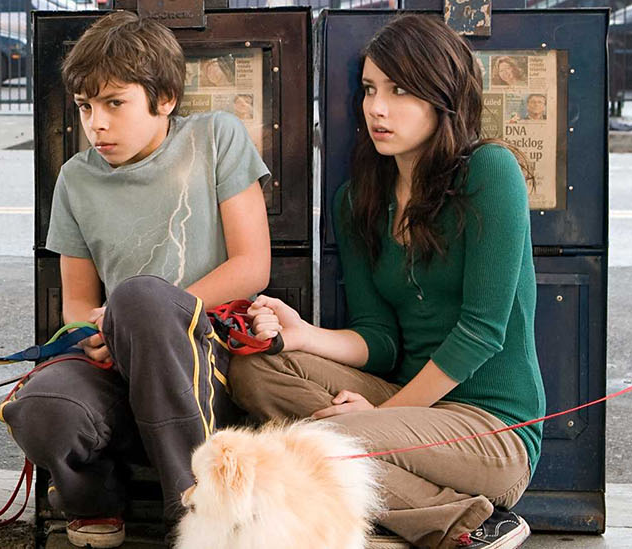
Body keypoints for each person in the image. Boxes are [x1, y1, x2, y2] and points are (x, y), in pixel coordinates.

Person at [229, 15, 542, 549]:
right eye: (371, 89)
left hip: (492, 430)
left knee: (316, 439)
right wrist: (303, 335)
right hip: (403, 405)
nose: (377, 107)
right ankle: (464, 519)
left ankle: (439, 517)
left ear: (442, 98)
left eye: (400, 91)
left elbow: (481, 332)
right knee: (253, 371)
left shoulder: (490, 172)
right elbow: (380, 336)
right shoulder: (357, 201)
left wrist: (382, 416)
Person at [0, 10, 272, 549]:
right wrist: (98, 332)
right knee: (38, 406)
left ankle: (197, 510)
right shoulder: (76, 179)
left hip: (204, 364)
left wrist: (137, 313)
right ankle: (95, 501)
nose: (96, 123)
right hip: (121, 365)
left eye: (114, 104)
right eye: (85, 107)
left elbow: (251, 266)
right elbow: (77, 303)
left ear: (164, 99)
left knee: (141, 298)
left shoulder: (216, 138)